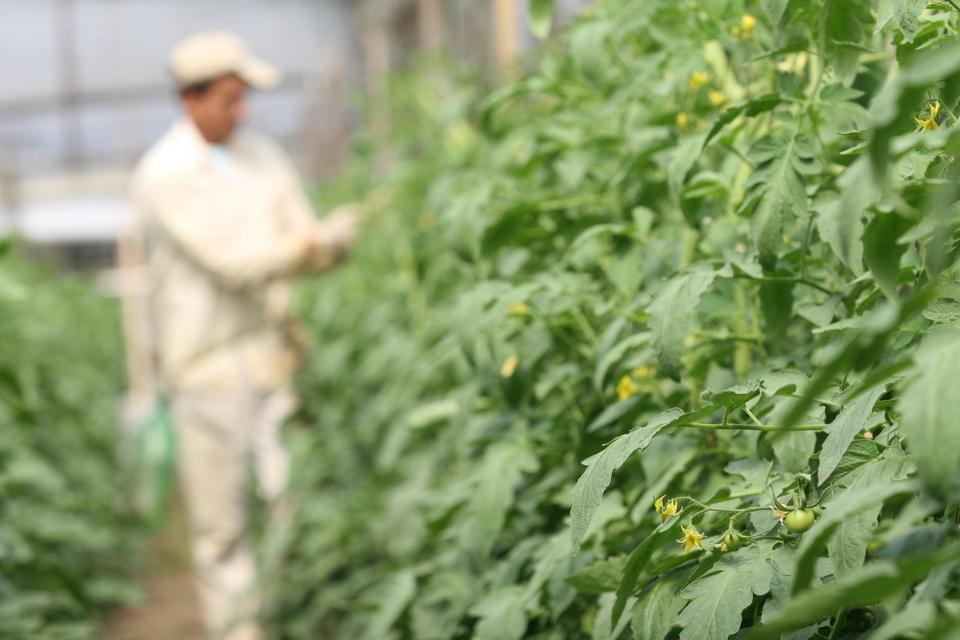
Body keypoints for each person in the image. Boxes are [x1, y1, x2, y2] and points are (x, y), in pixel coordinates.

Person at [119, 32, 357, 640]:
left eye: (244, 98)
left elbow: (299, 231)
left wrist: (322, 242)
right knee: (221, 530)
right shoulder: (164, 173)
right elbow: (233, 261)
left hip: (273, 356)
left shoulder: (264, 156)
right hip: (206, 371)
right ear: (190, 99)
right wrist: (312, 246)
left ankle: (291, 616)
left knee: (292, 501)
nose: (242, 111)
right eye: (229, 99)